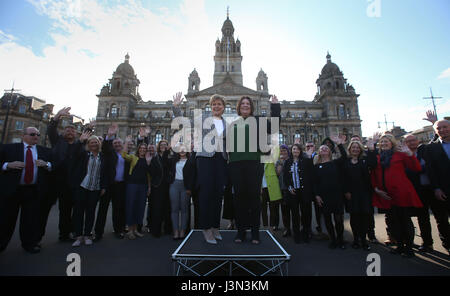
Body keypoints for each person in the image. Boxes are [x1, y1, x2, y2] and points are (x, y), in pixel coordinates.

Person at [173, 93, 228, 244]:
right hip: (205, 158)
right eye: (214, 104)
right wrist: (177, 107)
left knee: (217, 194)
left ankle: (215, 226)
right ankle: (206, 228)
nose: (216, 106)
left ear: (223, 107)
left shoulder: (225, 123)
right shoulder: (202, 119)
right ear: (211, 106)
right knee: (206, 194)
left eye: (219, 104)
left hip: (220, 159)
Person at [228, 95, 280, 244]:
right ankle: (241, 232)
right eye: (242, 103)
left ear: (251, 107)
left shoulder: (258, 120)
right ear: (239, 107)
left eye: (247, 104)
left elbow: (275, 127)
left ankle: (255, 233)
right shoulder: (233, 124)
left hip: (254, 163)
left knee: (254, 199)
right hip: (236, 164)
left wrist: (275, 107)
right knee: (239, 199)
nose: (245, 105)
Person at [0, 127, 52, 253]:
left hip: (33, 190)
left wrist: (46, 164)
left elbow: (53, 165)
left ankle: (29, 244)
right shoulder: (9, 148)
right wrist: (7, 165)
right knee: (6, 219)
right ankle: (1, 244)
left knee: (30, 220)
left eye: (38, 134)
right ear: (24, 136)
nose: (36, 136)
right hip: (13, 189)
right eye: (33, 134)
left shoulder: (44, 151)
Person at [371, 133, 423, 258]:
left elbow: (416, 168)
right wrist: (376, 189)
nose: (383, 144)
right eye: (382, 142)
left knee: (405, 220)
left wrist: (410, 154)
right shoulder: (378, 157)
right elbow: (373, 174)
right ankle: (400, 246)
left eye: (386, 142)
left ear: (392, 143)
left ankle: (409, 248)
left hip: (401, 192)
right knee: (394, 222)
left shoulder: (400, 155)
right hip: (387, 195)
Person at [43, 107, 77, 242]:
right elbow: (51, 130)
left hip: (70, 182)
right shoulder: (57, 141)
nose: (70, 132)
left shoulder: (77, 145)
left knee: (68, 210)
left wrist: (90, 128)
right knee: (46, 209)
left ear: (76, 134)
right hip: (55, 180)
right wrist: (57, 116)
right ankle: (37, 237)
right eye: (67, 130)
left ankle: (67, 233)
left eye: (72, 130)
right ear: (63, 133)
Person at [71, 130, 107, 247]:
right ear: (88, 144)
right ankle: (78, 236)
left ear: (99, 144)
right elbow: (74, 153)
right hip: (82, 186)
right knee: (78, 212)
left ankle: (87, 235)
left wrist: (103, 187)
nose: (94, 144)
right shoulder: (84, 154)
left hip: (95, 187)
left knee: (91, 212)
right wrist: (80, 141)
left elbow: (104, 173)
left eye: (96, 142)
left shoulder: (102, 157)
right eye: (91, 142)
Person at [94, 123, 129, 240]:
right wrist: (109, 136)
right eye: (115, 143)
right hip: (108, 185)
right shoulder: (109, 154)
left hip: (120, 185)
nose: (117, 144)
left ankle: (118, 229)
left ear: (123, 144)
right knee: (102, 209)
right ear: (112, 146)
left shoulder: (126, 155)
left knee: (118, 209)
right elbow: (105, 147)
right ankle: (98, 233)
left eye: (119, 143)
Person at [313, 135, 347, 249]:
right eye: (322, 148)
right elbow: (315, 182)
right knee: (327, 219)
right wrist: (317, 195)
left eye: (326, 148)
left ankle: (340, 239)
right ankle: (333, 239)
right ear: (319, 152)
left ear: (329, 152)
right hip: (324, 196)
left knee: (338, 219)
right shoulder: (317, 167)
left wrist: (339, 144)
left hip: (336, 195)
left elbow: (345, 157)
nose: (324, 149)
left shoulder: (336, 163)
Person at [343, 139, 377, 251]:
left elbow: (373, 164)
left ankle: (364, 240)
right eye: (353, 148)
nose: (355, 149)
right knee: (354, 217)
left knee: (364, 217)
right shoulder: (346, 161)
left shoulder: (364, 160)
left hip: (364, 193)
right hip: (351, 194)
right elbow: (343, 178)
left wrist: (372, 149)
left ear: (361, 149)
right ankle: (356, 239)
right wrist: (346, 191)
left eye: (357, 148)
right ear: (350, 149)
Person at [424, 119, 450, 255]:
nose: (442, 130)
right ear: (435, 132)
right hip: (442, 190)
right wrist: (436, 188)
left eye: (445, 127)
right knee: (442, 221)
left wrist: (435, 120)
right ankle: (448, 244)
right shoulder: (431, 148)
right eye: (439, 129)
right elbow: (430, 170)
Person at [121, 139, 152, 240]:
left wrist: (149, 187)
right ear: (138, 149)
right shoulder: (134, 157)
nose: (143, 150)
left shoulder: (148, 159)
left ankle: (135, 230)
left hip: (143, 186)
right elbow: (124, 155)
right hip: (132, 185)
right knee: (131, 206)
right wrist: (126, 142)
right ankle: (130, 230)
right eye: (141, 148)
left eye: (144, 148)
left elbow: (149, 176)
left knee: (140, 207)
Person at [283, 143, 314, 243]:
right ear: (291, 151)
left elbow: (310, 173)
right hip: (293, 192)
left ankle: (306, 233)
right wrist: (289, 187)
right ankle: (296, 235)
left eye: (297, 149)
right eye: (293, 149)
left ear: (300, 151)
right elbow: (285, 177)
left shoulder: (305, 160)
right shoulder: (287, 162)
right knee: (295, 214)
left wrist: (309, 156)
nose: (295, 151)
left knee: (306, 213)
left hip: (304, 191)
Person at [148, 139, 172, 237]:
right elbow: (151, 172)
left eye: (165, 145)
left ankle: (167, 229)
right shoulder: (155, 158)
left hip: (168, 185)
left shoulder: (170, 157)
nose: (163, 146)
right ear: (158, 146)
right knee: (157, 208)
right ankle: (156, 230)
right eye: (161, 145)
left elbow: (169, 167)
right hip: (157, 186)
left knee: (167, 207)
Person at [167, 144, 190, 240]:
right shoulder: (173, 160)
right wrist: (167, 150)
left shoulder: (190, 161)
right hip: (174, 185)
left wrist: (190, 188)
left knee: (184, 210)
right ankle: (176, 230)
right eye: (180, 149)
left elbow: (193, 175)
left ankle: (182, 231)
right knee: (174, 209)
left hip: (186, 186)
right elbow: (164, 161)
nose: (182, 150)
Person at [261, 146, 283, 231]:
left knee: (274, 207)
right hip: (262, 187)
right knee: (263, 208)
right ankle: (265, 225)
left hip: (272, 186)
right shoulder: (259, 161)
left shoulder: (273, 159)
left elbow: (278, 172)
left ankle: (274, 225)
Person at [276, 144, 291, 237]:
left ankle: (297, 226)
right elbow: (278, 172)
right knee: (284, 209)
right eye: (281, 151)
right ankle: (287, 228)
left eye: (285, 150)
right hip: (283, 188)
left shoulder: (291, 160)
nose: (283, 152)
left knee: (294, 209)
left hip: (291, 188)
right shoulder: (278, 162)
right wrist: (281, 162)